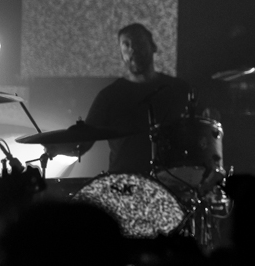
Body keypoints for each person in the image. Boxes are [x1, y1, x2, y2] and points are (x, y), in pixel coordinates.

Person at [81, 23, 193, 174]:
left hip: (173, 181)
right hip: (124, 184)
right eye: (126, 45)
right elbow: (83, 142)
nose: (132, 49)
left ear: (153, 46)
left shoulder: (179, 89)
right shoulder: (109, 96)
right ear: (121, 54)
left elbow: (199, 134)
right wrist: (57, 147)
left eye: (138, 42)